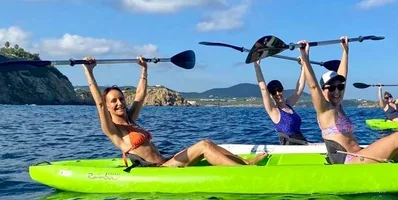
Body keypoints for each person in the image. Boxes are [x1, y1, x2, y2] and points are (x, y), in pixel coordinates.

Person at [297, 38, 398, 164]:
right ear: (323, 90)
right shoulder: (324, 110)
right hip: (349, 162)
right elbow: (313, 87)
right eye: (331, 88)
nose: (337, 91)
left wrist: (345, 51)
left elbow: (343, 77)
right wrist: (305, 57)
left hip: (360, 154)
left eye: (339, 87)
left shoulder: (338, 106)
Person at [82, 56, 267, 167]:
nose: (119, 103)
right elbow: (99, 104)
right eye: (113, 101)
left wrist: (144, 69)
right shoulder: (113, 129)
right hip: (157, 171)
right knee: (203, 146)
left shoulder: (131, 119)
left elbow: (140, 94)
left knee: (207, 142)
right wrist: (89, 71)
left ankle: (244, 162)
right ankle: (244, 172)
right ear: (107, 105)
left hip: (165, 162)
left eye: (121, 99)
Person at [254, 59, 308, 144]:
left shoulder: (289, 104)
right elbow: (263, 89)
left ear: (283, 90)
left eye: (279, 89)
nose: (277, 93)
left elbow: (299, 89)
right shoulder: (274, 111)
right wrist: (257, 66)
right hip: (290, 148)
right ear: (270, 95)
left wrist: (303, 66)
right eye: (273, 92)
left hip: (302, 143)